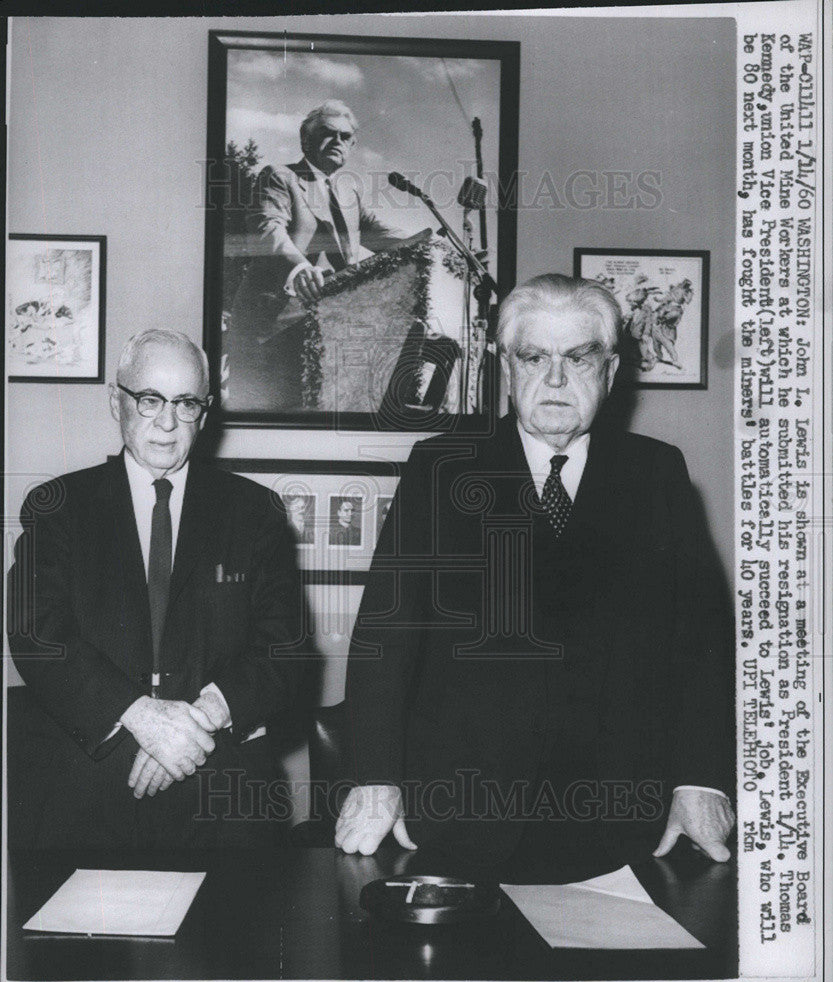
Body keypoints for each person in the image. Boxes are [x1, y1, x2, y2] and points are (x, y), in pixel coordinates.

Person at [335, 274, 735, 879]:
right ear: (505, 366)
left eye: (578, 357)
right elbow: (384, 641)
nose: (554, 379)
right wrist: (375, 778)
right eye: (533, 357)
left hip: (620, 821)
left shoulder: (657, 476)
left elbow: (702, 645)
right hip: (462, 814)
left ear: (611, 369)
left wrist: (700, 780)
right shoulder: (441, 471)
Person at [7, 329, 308, 849]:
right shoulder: (58, 507)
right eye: (149, 400)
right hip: (87, 797)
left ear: (205, 413)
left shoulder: (254, 514)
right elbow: (38, 634)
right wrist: (142, 717)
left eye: (186, 403)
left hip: (223, 797)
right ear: (115, 401)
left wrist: (194, 725)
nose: (167, 422)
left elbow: (287, 649)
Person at [227, 99, 408, 411]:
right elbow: (267, 228)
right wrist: (298, 268)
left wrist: (437, 243)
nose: (337, 141)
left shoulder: (349, 198)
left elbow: (385, 236)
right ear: (305, 138)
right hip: (269, 331)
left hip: (323, 337)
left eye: (345, 137)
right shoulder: (279, 177)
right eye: (327, 133)